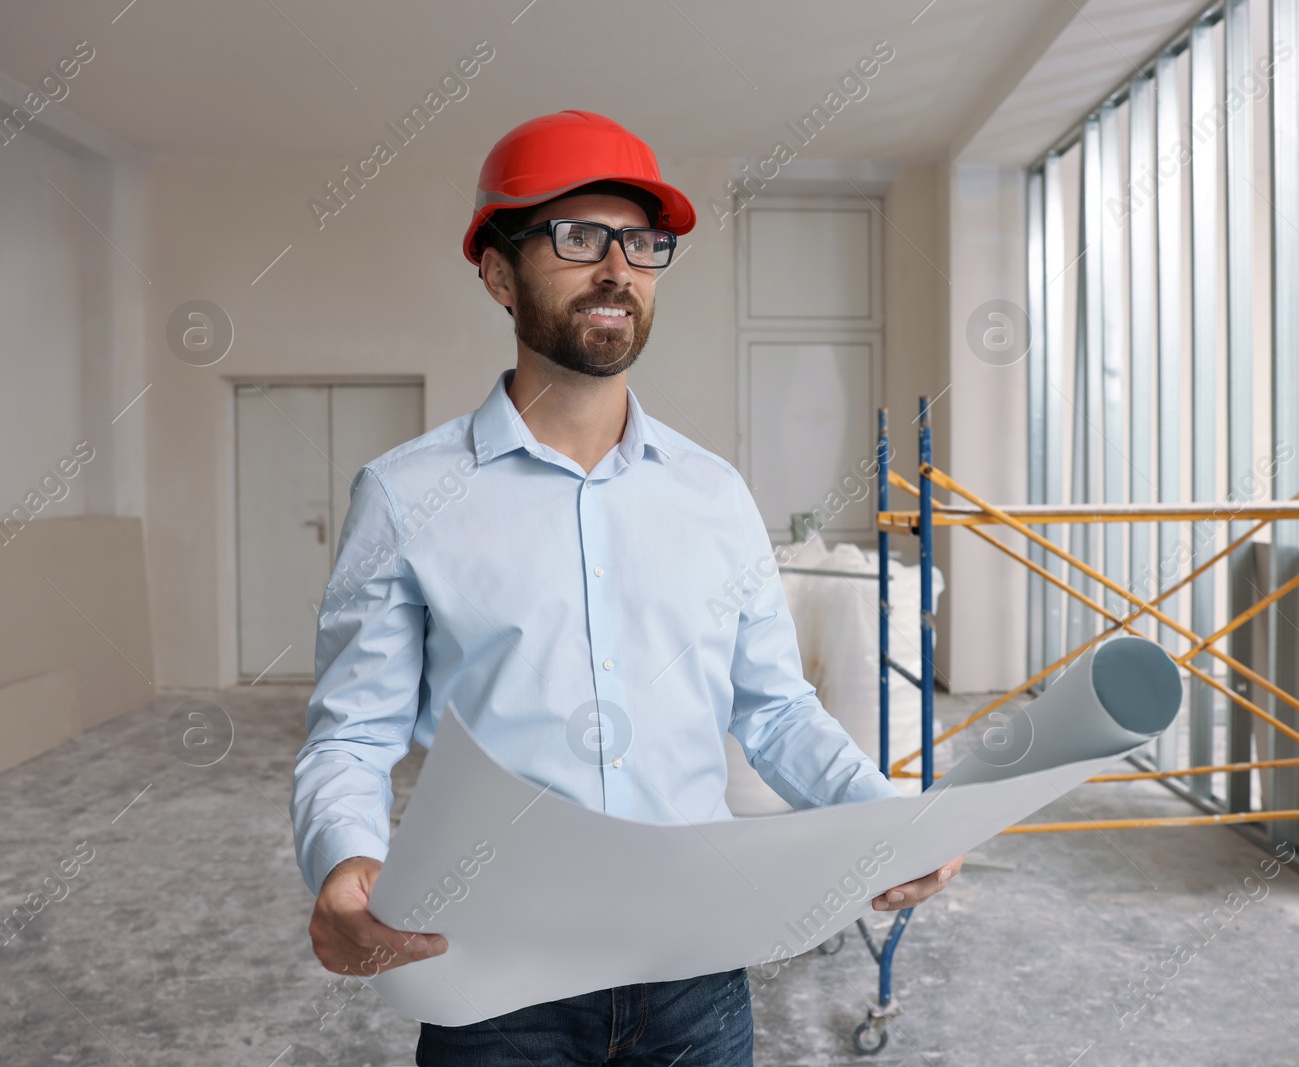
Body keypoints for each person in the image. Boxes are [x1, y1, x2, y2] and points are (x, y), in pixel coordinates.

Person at [289, 109, 963, 1067]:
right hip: (493, 975)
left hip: (695, 971)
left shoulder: (715, 496)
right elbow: (354, 732)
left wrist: (884, 810)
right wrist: (347, 863)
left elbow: (774, 711)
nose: (618, 268)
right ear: (496, 271)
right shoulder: (405, 496)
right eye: (577, 237)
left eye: (643, 244)